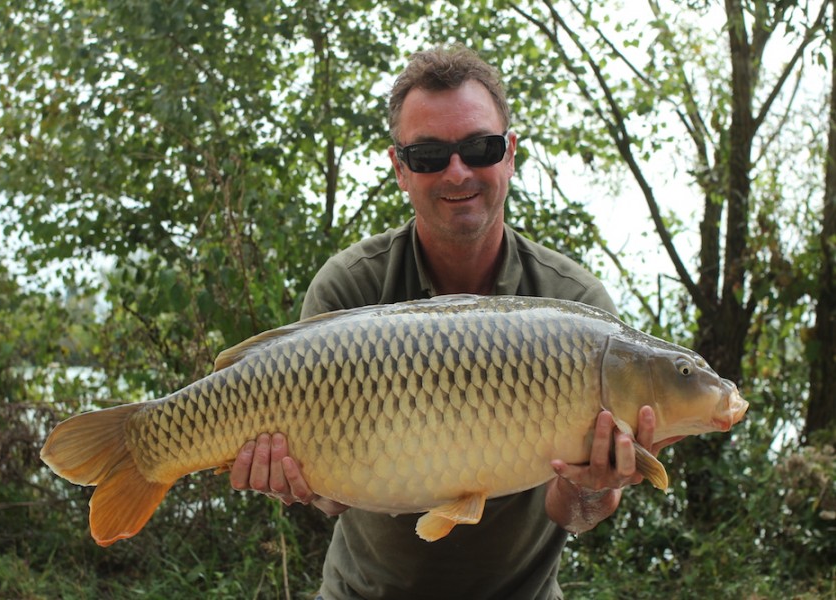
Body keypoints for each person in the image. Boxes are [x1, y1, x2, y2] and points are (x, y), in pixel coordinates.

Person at [230, 45, 671, 599]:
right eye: (429, 155)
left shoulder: (573, 306)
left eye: (479, 147)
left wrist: (596, 487)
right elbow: (335, 497)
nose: (457, 171)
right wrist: (300, 483)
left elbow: (574, 513)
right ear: (400, 169)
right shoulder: (350, 289)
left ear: (510, 154)